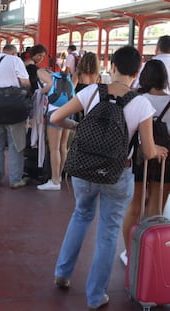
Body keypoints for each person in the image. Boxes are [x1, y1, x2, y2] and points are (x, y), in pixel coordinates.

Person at [51, 46, 168, 310]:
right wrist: (159, 150)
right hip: (117, 174)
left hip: (84, 169)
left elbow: (56, 117)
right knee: (108, 232)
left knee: (81, 215)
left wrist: (77, 126)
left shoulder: (91, 91)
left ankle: (62, 273)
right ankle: (95, 297)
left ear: (112, 66)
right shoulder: (141, 104)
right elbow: (148, 151)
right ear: (137, 72)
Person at [121, 59, 170, 265]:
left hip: (140, 156)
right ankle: (149, 255)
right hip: (166, 157)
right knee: (156, 205)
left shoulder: (136, 99)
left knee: (135, 205)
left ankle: (130, 253)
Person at [0, 44, 31, 188]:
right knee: (16, 143)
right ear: (14, 52)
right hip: (13, 107)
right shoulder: (16, 61)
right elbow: (25, 83)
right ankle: (15, 179)